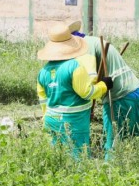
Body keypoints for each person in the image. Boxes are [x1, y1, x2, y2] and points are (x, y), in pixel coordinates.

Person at [69, 21, 139, 155]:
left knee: (113, 144)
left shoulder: (85, 48)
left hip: (118, 97)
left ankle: (109, 170)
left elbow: (90, 80)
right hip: (135, 90)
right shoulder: (93, 41)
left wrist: (87, 106)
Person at [37, 22, 112, 157]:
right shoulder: (75, 66)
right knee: (78, 156)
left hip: (50, 120)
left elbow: (43, 98)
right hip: (73, 121)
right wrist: (104, 85)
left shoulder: (43, 71)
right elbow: (87, 92)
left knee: (57, 156)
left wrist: (46, 114)